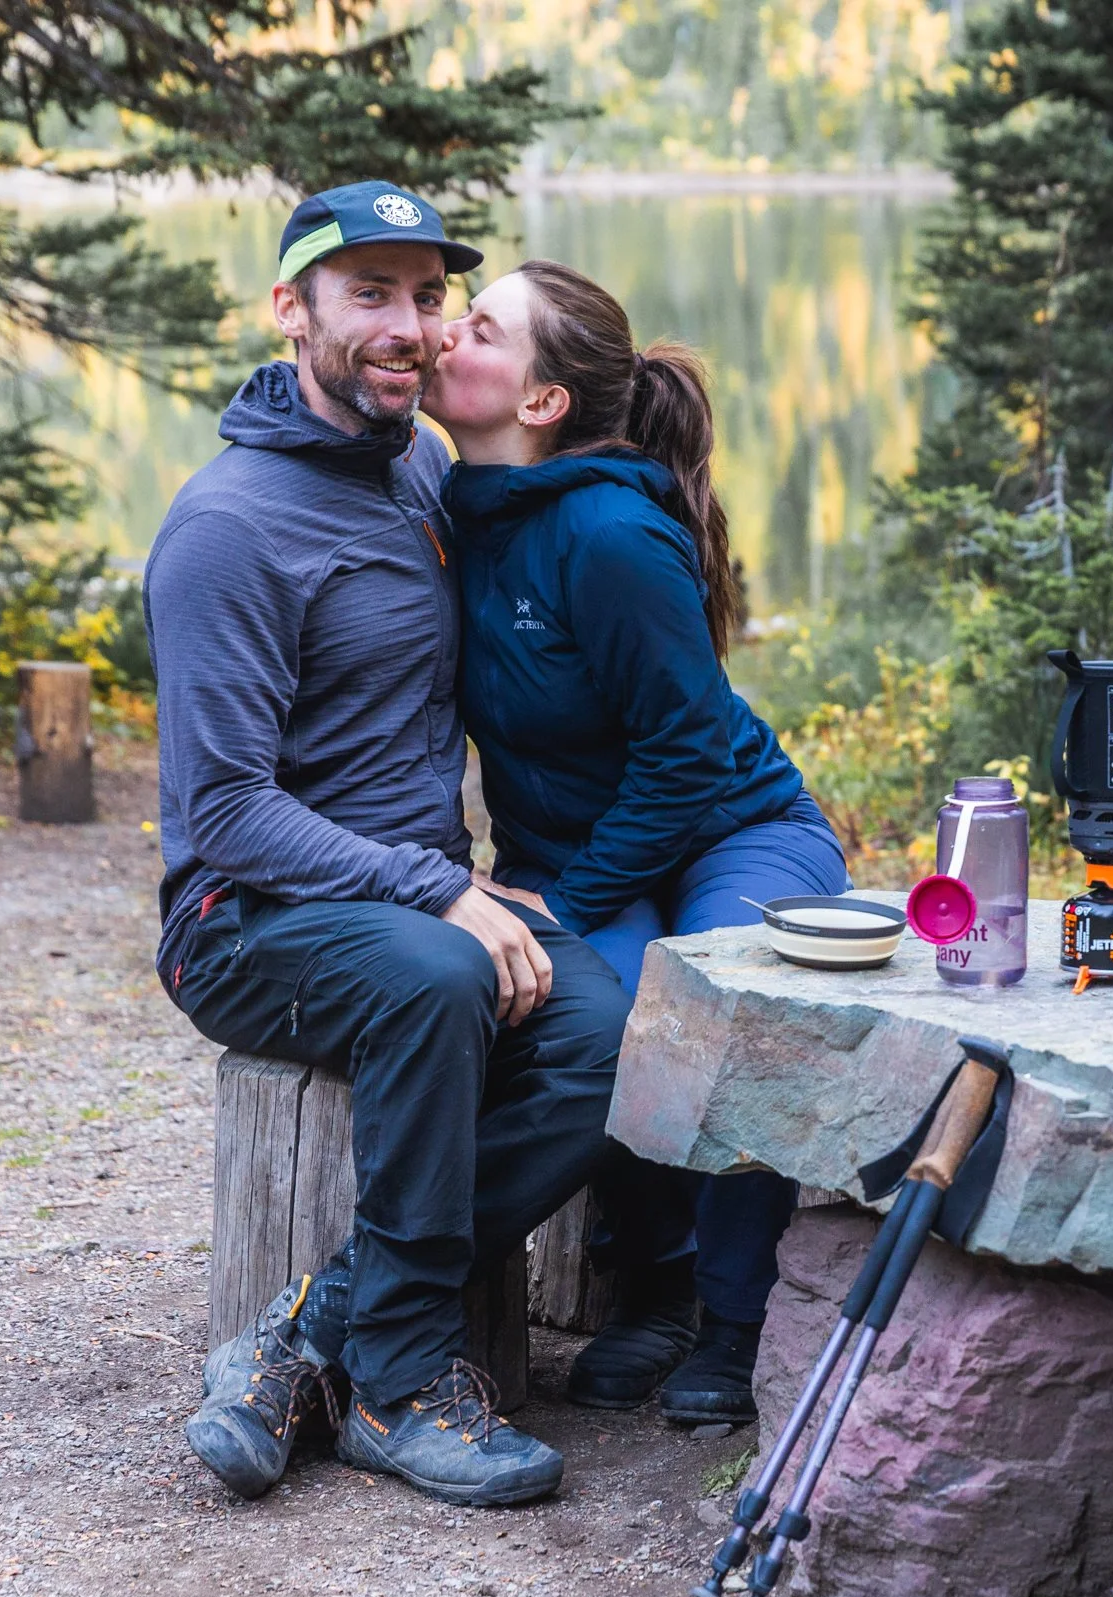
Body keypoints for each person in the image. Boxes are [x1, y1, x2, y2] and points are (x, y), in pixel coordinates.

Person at [146, 185, 631, 1508]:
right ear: (290, 311)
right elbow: (227, 809)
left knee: (610, 1027)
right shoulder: (226, 530)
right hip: (244, 922)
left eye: (427, 296)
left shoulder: (420, 465)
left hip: (417, 907)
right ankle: (404, 1380)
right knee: (441, 976)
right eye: (370, 292)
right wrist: (439, 889)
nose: (408, 325)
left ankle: (313, 1326)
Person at [425, 259, 850, 1426]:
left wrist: (574, 892)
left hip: (734, 826)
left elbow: (686, 754)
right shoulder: (450, 501)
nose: (442, 335)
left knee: (711, 993)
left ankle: (735, 1313)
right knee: (594, 1007)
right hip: (580, 848)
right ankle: (651, 1284)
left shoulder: (609, 532)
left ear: (542, 399)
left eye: (478, 326)